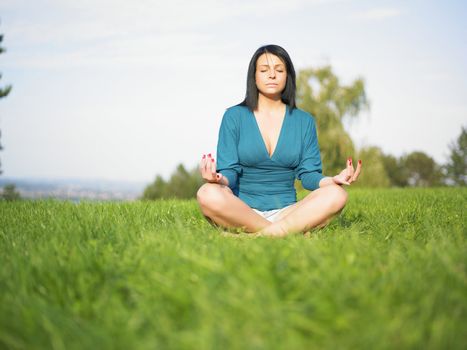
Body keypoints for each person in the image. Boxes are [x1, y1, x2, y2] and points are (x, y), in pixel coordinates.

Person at [196, 44, 362, 237]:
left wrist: (332, 180)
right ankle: (284, 233)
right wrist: (218, 179)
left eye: (279, 70)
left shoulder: (304, 121)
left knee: (337, 194)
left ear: (288, 76)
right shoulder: (234, 117)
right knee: (207, 193)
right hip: (241, 211)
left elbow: (308, 175)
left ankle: (257, 236)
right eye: (264, 70)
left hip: (288, 213)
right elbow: (229, 171)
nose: (272, 75)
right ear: (254, 76)